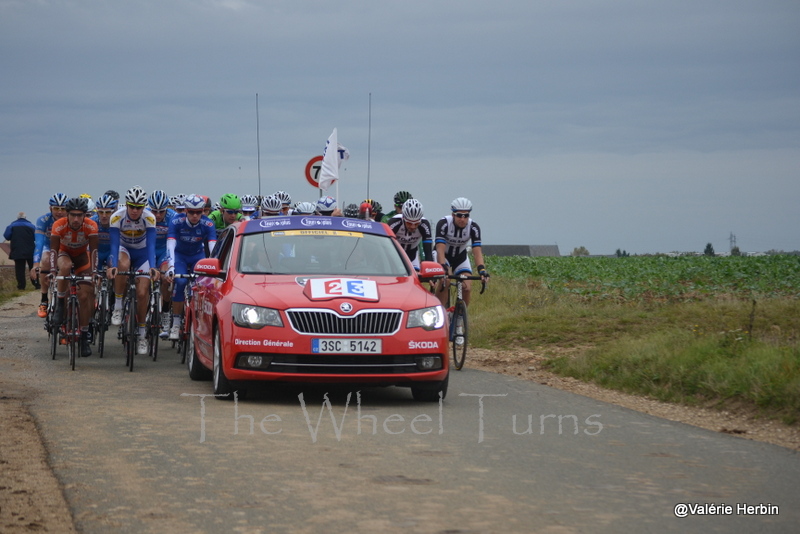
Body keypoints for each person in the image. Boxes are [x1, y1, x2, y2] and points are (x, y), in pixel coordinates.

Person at [106, 186, 160, 356]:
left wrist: (152, 267)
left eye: (139, 207)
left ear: (144, 207)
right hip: (124, 249)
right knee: (122, 264)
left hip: (142, 253)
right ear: (126, 205)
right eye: (132, 206)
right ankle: (119, 305)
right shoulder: (117, 217)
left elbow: (151, 245)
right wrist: (113, 265)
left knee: (143, 293)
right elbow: (114, 245)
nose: (135, 211)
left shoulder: (149, 218)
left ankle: (143, 334)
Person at [50, 197, 99, 357]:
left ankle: (84, 336)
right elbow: (54, 251)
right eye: (73, 215)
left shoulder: (91, 225)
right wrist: (52, 270)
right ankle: (61, 302)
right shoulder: (59, 225)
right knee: (64, 267)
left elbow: (94, 252)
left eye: (80, 215)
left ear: (85, 215)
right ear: (67, 214)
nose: (76, 219)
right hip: (65, 254)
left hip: (82, 258)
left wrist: (94, 272)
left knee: (84, 296)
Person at [164, 194, 216, 340]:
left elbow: (213, 248)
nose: (195, 215)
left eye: (198, 212)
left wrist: (213, 266)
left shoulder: (208, 224)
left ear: (203, 211)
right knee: (180, 282)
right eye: (191, 212)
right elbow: (170, 245)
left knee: (199, 286)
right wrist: (170, 266)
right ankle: (175, 324)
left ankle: (199, 322)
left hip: (197, 257)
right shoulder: (176, 221)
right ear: (185, 210)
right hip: (180, 256)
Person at [434, 197, 489, 308]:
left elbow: (477, 251)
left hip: (460, 258)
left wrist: (482, 270)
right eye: (459, 215)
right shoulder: (444, 223)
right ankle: (440, 313)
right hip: (444, 256)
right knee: (446, 281)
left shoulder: (473, 227)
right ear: (453, 214)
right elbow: (440, 248)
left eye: (466, 216)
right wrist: (443, 267)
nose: (462, 219)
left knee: (467, 287)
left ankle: (460, 318)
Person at [33, 193, 70, 317]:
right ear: (50, 208)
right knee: (46, 260)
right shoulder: (43, 220)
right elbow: (39, 243)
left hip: (65, 247)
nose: (59, 212)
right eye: (56, 208)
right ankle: (44, 299)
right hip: (48, 246)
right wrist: (36, 265)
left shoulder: (72, 220)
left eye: (63, 209)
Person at [148, 190, 175, 336]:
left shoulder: (172, 217)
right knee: (143, 280)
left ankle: (165, 312)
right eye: (154, 211)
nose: (157, 215)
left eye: (161, 211)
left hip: (164, 251)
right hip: (148, 250)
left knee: (166, 279)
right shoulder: (144, 215)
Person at [386, 199, 433, 271]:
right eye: (409, 223)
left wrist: (430, 271)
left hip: (412, 255)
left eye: (416, 223)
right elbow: (386, 246)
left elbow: (428, 252)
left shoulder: (424, 224)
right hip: (395, 255)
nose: (413, 226)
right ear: (403, 218)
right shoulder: (394, 222)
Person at [4, 212, 36, 290]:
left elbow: (6, 236)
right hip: (30, 250)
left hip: (17, 250)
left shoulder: (11, 226)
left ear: (17, 217)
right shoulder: (31, 226)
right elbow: (36, 237)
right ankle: (36, 284)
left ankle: (21, 286)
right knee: (33, 268)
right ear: (25, 217)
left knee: (19, 269)